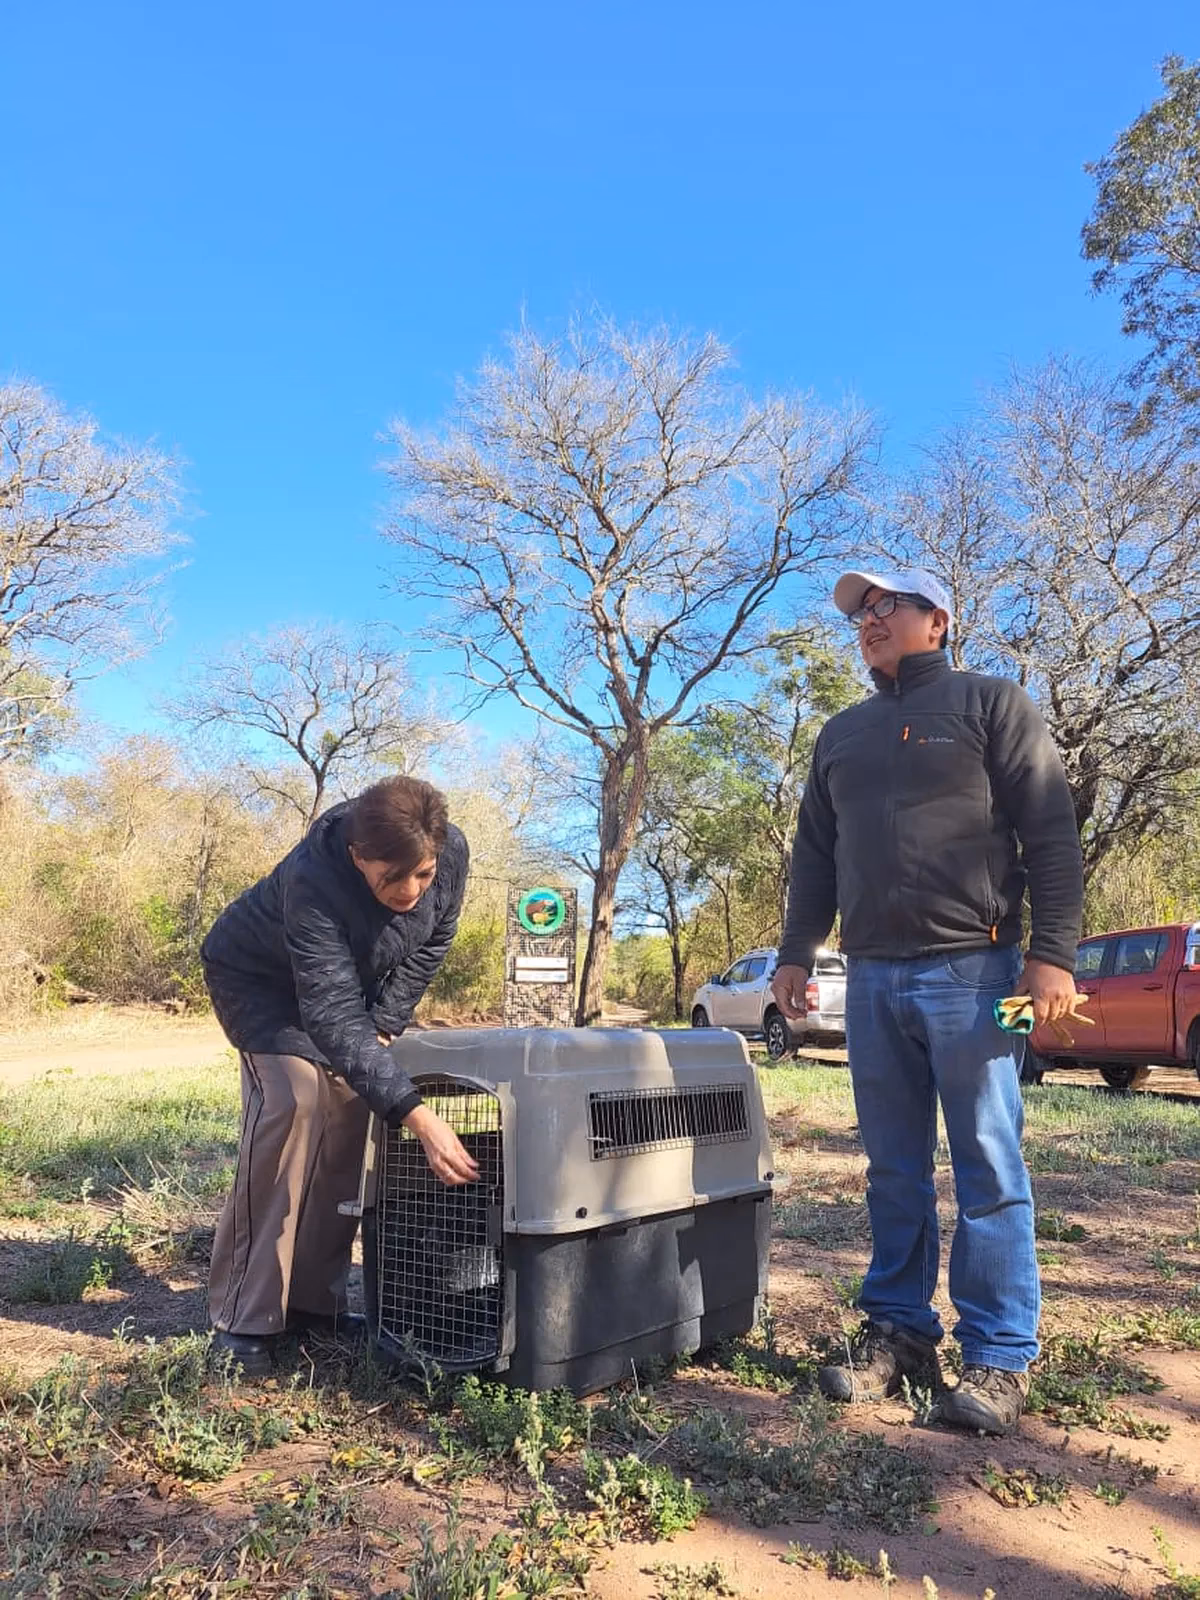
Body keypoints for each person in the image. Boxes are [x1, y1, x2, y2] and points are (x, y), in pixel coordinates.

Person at [771, 566, 1083, 1435]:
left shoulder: (994, 706)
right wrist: (798, 951)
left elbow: (1051, 833)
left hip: (979, 974)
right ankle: (901, 1332)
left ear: (937, 618)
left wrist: (1050, 957)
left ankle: (1000, 1354)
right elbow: (814, 857)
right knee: (893, 1169)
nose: (867, 622)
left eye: (885, 607)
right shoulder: (841, 734)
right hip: (871, 978)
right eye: (858, 615)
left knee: (989, 1161)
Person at [201, 775, 479, 1376]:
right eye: (390, 878)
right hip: (262, 985)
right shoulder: (314, 878)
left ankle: (311, 1305)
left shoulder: (449, 851)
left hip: (352, 993)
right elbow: (325, 1011)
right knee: (295, 1102)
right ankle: (241, 1317)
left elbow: (433, 942)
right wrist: (418, 1117)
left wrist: (385, 1022)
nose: (409, 891)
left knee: (353, 1111)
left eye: (423, 875)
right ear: (358, 857)